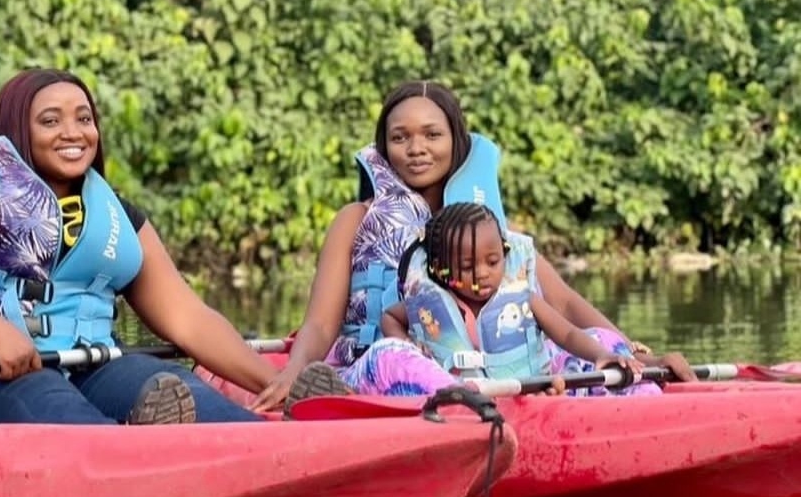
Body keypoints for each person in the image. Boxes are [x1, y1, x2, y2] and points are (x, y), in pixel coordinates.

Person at [254, 80, 695, 411]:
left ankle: (648, 403)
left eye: (432, 134)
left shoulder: (487, 227)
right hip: (389, 370)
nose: (416, 149)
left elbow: (562, 301)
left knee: (597, 339)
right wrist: (294, 370)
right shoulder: (356, 219)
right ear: (385, 147)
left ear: (456, 141)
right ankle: (474, 410)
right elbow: (319, 325)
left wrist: (632, 352)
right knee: (394, 355)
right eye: (400, 137)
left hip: (502, 373)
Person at [0, 68, 275, 425]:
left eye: (84, 119)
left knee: (170, 383)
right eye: (50, 121)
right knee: (50, 400)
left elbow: (189, 319)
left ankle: (249, 450)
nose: (73, 133)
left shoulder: (116, 216)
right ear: (19, 130)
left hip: (90, 364)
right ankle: (135, 462)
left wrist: (274, 384)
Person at [381, 202, 659, 395]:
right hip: (460, 400)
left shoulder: (523, 299)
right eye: (467, 267)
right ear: (439, 268)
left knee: (600, 339)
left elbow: (569, 335)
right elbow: (390, 317)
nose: (483, 274)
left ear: (504, 253)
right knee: (387, 355)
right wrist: (407, 344)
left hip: (528, 394)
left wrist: (601, 355)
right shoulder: (427, 304)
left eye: (493, 261)